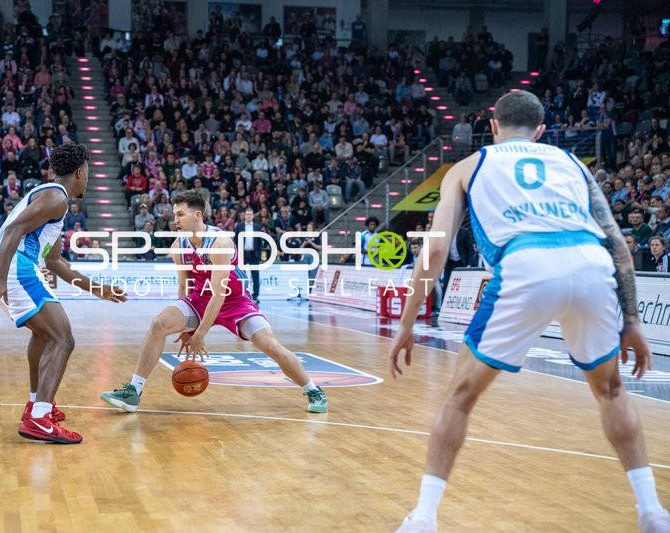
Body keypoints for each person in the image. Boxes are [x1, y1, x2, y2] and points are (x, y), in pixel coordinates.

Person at [387, 91, 669, 532]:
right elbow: (618, 243)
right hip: (591, 263)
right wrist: (632, 321)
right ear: (540, 132)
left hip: (525, 264)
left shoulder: (467, 166)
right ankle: (652, 511)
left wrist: (406, 323)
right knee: (612, 391)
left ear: (493, 126)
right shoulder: (574, 163)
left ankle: (423, 518)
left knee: (460, 397)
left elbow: (437, 247)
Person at [99, 191, 328, 414]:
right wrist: (186, 325)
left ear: (197, 215)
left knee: (271, 346)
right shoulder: (178, 246)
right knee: (159, 324)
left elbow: (219, 295)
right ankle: (133, 391)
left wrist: (199, 333)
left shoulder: (220, 243)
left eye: (180, 214)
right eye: (175, 214)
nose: (175, 220)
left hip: (235, 302)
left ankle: (313, 390)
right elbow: (185, 285)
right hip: (199, 300)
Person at [0, 144, 126, 444]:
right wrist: (1, 278)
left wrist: (100, 290)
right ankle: (40, 420)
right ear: (80, 173)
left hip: (4, 263)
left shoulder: (54, 201)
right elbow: (13, 231)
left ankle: (36, 406)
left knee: (45, 336)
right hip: (13, 265)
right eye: (89, 175)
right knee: (63, 338)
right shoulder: (56, 196)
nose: (89, 180)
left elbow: (56, 262)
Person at [235, 207, 263, 303]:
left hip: (253, 254)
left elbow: (260, 242)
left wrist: (258, 254)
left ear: (253, 216)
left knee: (255, 276)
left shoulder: (257, 227)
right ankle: (240, 294)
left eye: (251, 214)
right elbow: (236, 241)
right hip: (242, 254)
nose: (249, 216)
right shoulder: (239, 226)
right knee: (240, 275)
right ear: (244, 216)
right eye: (247, 214)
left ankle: (255, 296)